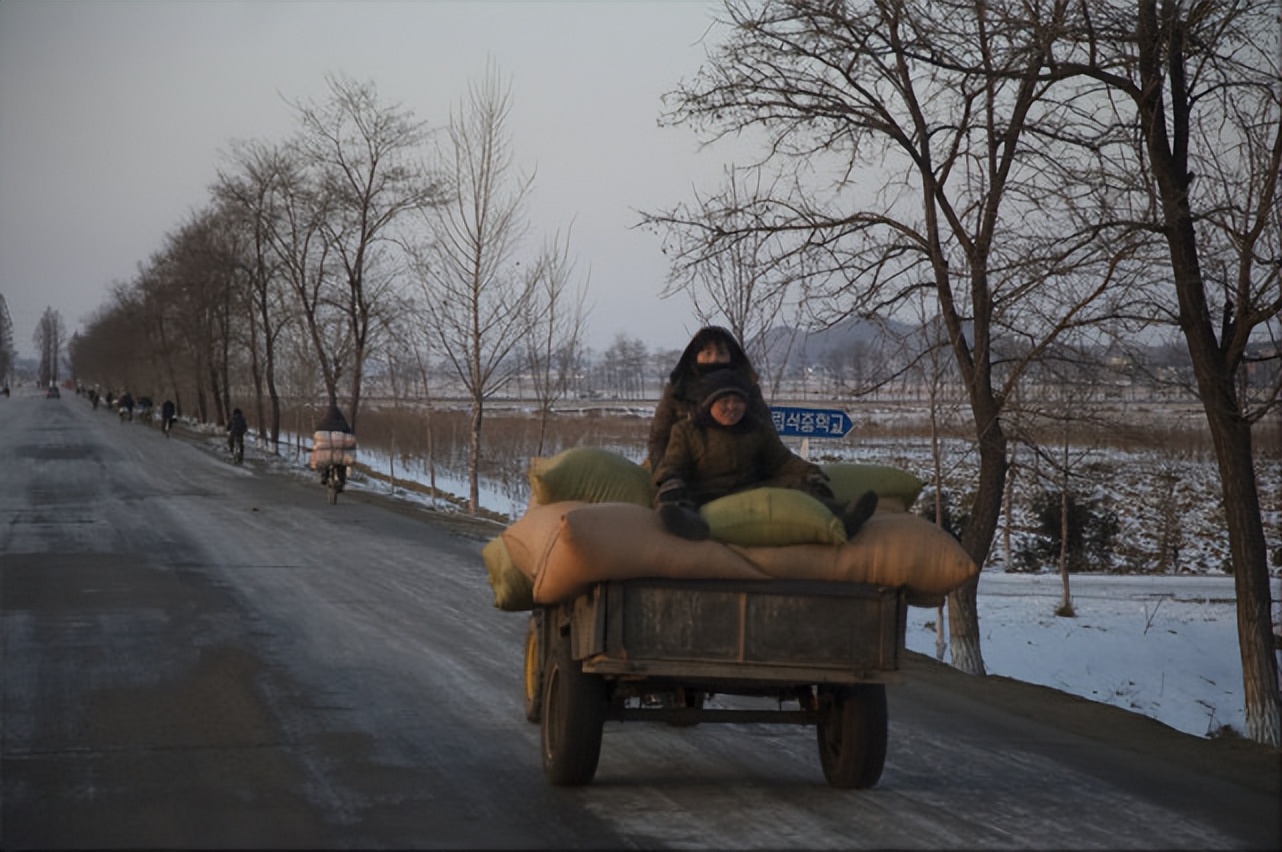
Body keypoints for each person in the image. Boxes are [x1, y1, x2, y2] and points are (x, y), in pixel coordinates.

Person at [651, 368, 877, 541]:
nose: (732, 407)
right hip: (704, 493)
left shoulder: (755, 428)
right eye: (724, 401)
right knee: (673, 496)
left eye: (738, 401)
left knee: (797, 485)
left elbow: (782, 460)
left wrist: (809, 473)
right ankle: (684, 521)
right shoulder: (688, 431)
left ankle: (843, 516)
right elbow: (672, 464)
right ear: (709, 404)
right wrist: (671, 481)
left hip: (748, 490)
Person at [647, 326, 773, 469]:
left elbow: (767, 432)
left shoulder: (748, 388)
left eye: (721, 353)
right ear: (695, 356)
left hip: (741, 471)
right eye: (707, 353)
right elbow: (658, 438)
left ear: (732, 356)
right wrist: (666, 476)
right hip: (686, 471)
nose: (714, 359)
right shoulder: (678, 390)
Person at [314, 404, 352, 487]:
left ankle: (324, 476)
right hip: (338, 452)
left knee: (324, 461)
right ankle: (341, 481)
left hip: (325, 452)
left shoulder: (323, 422)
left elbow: (317, 433)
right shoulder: (343, 423)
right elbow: (349, 435)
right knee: (341, 464)